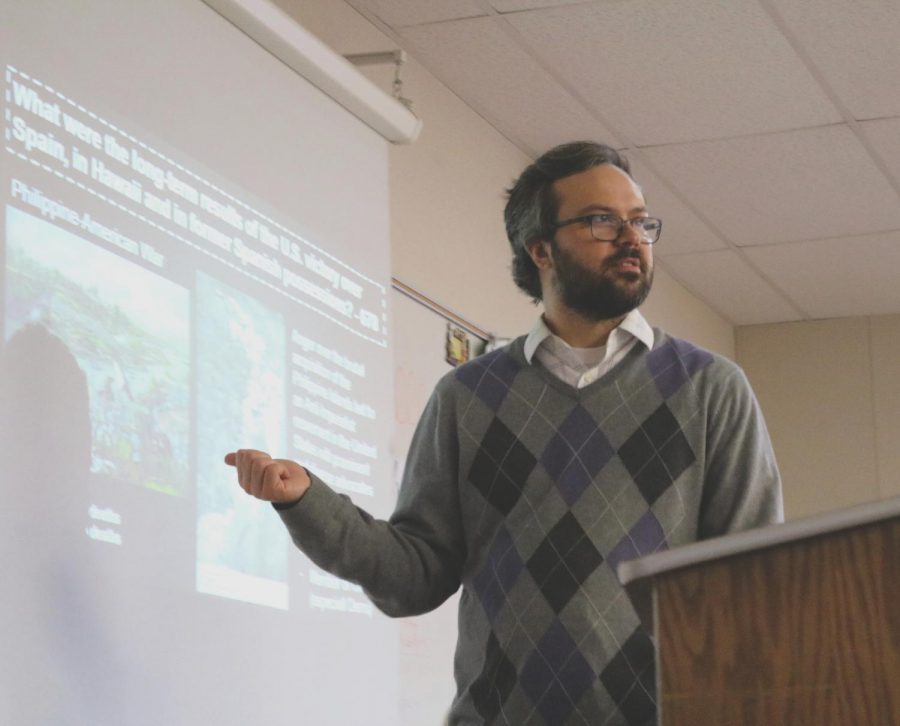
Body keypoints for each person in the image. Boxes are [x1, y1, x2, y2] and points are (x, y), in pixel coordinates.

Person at [226, 141, 783, 725]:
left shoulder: (709, 388)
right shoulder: (467, 398)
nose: (632, 238)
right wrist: (305, 501)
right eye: (602, 221)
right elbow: (413, 576)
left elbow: (754, 586)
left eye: (641, 222)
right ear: (541, 248)